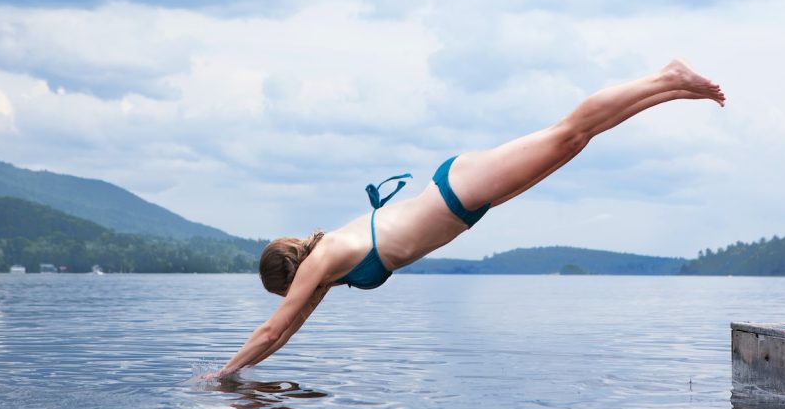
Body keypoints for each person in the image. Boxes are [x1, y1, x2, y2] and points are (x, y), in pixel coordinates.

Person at [211, 59, 725, 378]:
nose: (291, 300)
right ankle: (672, 88)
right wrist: (237, 375)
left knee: (567, 132)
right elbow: (289, 328)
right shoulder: (325, 268)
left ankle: (667, 78)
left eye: (285, 292)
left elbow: (272, 330)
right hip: (465, 201)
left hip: (459, 191)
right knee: (575, 142)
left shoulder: (324, 259)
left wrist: (218, 376)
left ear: (289, 277)